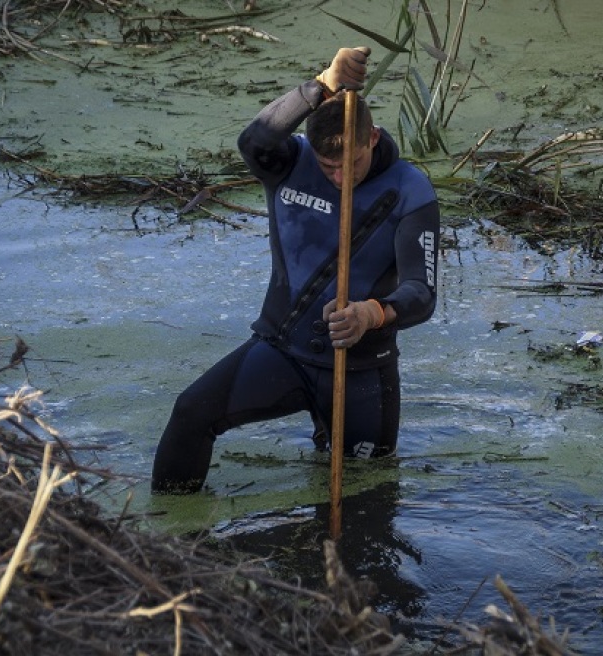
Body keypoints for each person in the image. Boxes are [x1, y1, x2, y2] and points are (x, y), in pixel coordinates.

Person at [151, 46, 440, 493]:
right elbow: (254, 140)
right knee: (191, 412)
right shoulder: (288, 163)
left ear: (372, 138)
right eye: (328, 168)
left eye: (352, 163)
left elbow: (422, 293)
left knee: (365, 504)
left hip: (362, 372)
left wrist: (371, 313)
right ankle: (166, 531)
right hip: (281, 350)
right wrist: (320, 86)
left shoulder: (410, 190)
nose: (340, 178)